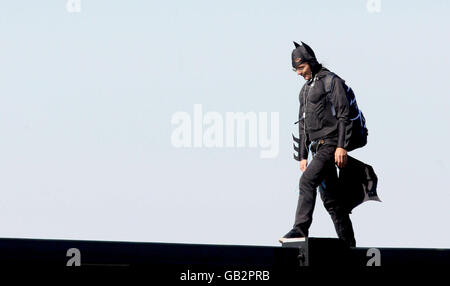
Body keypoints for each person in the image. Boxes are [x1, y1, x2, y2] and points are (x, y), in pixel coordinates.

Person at [279, 41, 356, 247]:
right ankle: (349, 245)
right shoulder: (304, 91)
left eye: (301, 67)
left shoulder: (332, 81)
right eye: (296, 69)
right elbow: (303, 123)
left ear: (311, 63)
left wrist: (342, 146)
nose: (298, 73)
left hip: (331, 144)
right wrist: (303, 156)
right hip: (316, 148)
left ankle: (299, 228)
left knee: (306, 182)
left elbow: (344, 115)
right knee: (332, 201)